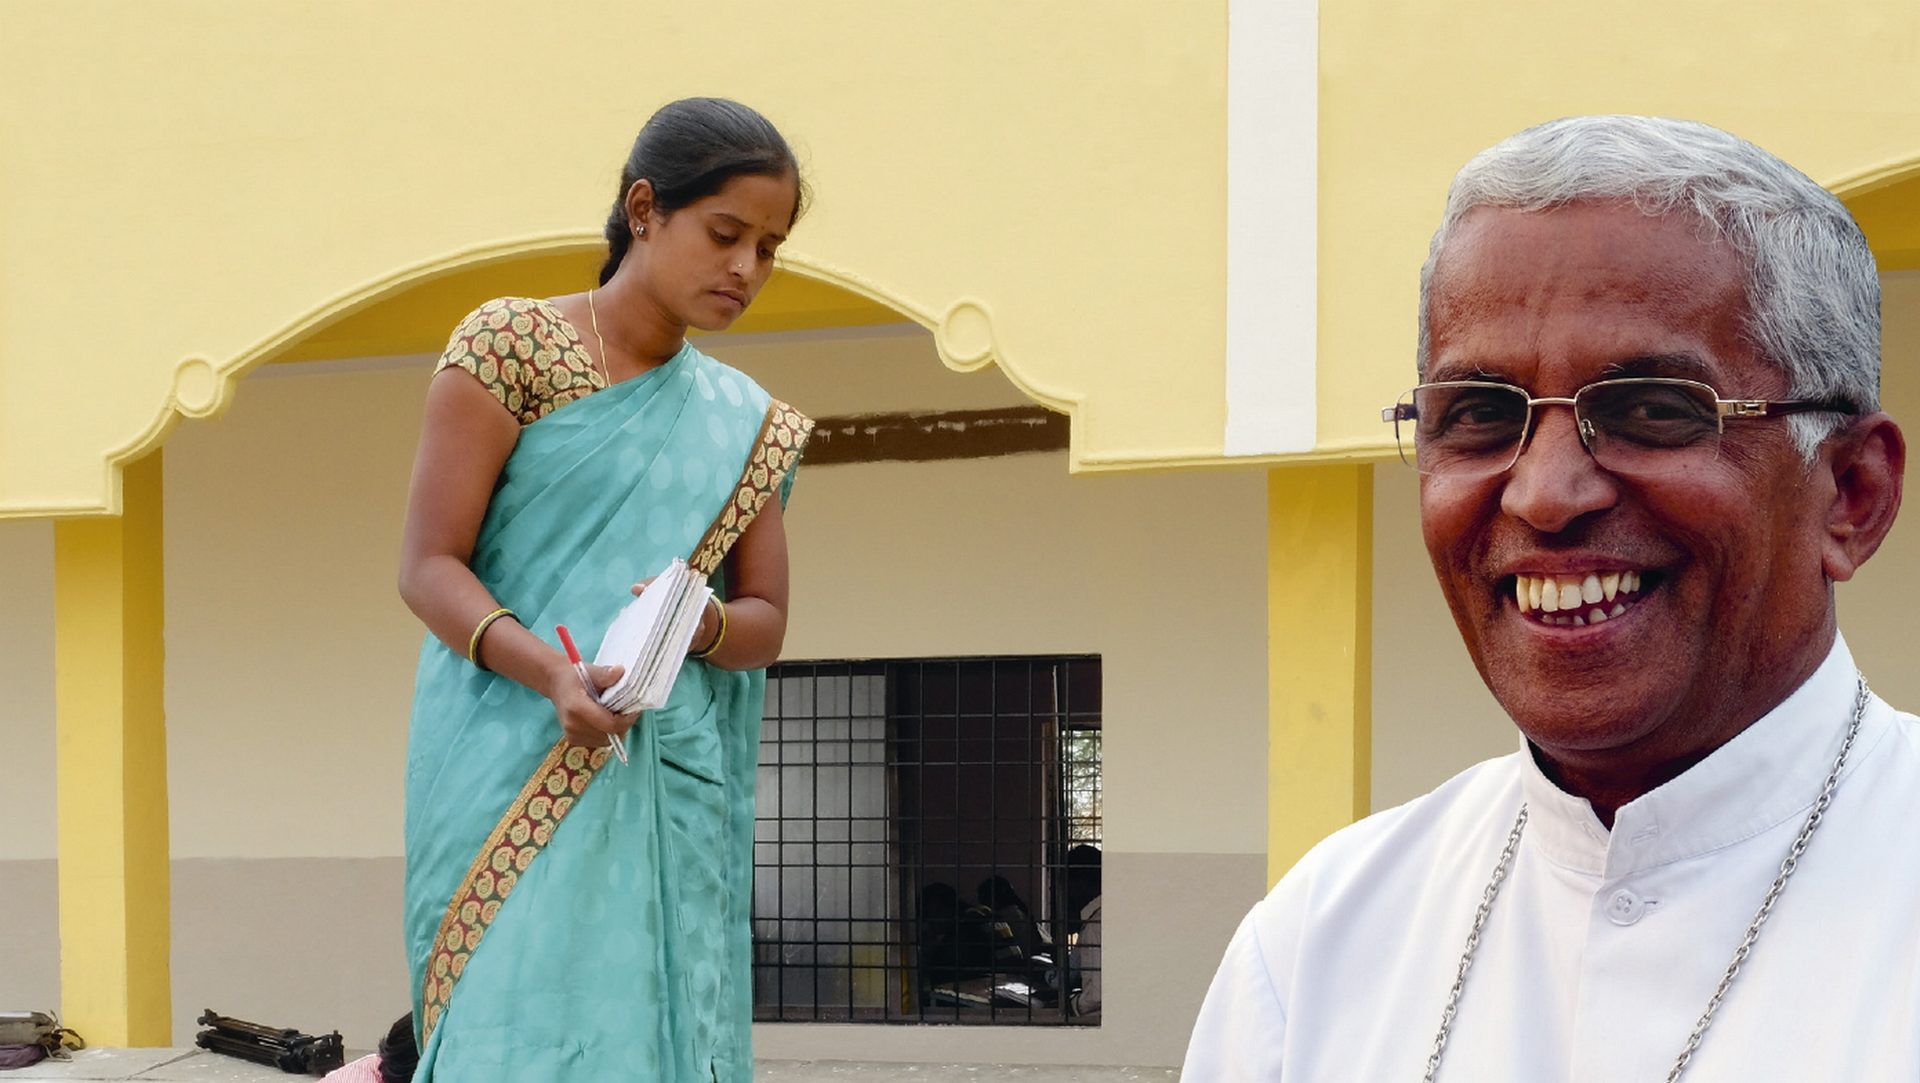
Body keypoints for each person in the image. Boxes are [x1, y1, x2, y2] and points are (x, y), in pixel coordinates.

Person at [1184, 116, 1919, 1080]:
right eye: (1480, 414)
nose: (1542, 492)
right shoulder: (1319, 945)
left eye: (1655, 408)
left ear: (1852, 494)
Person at [397, 97, 815, 1082]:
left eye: (770, 248)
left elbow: (765, 622)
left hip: (665, 775)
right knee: (509, 1027)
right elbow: (427, 565)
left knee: (649, 1032)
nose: (746, 270)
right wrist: (552, 675)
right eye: (725, 235)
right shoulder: (512, 349)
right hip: (509, 756)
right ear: (643, 208)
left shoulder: (742, 420)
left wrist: (702, 622)